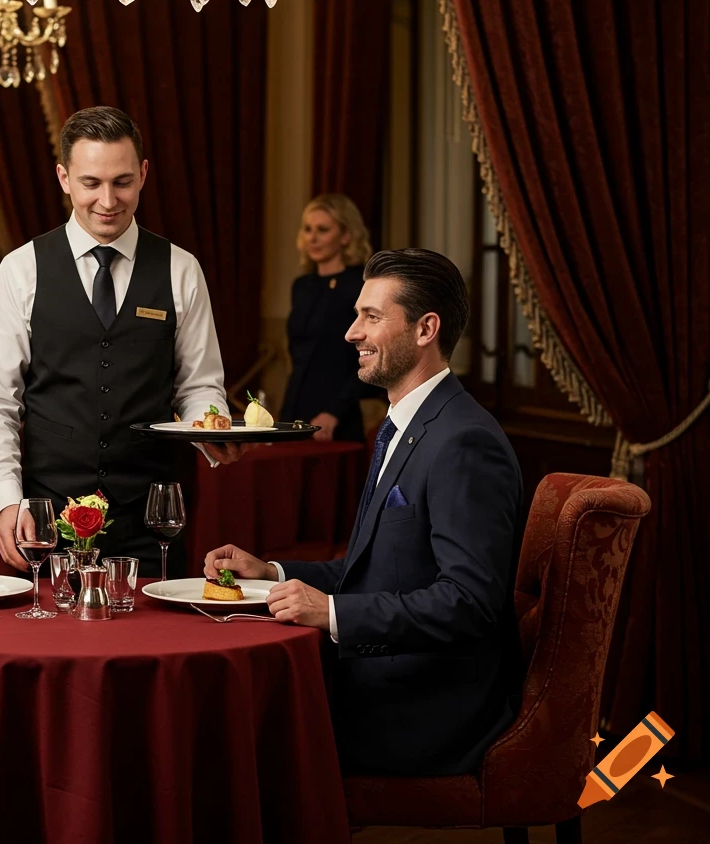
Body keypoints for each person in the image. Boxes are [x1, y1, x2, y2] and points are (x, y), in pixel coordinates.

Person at [204, 248, 522, 776]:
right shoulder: (404, 426)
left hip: (425, 712)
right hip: (381, 681)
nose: (352, 332)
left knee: (231, 730)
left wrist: (330, 613)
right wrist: (274, 572)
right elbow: (374, 571)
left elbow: (470, 603)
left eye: (371, 317)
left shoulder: (464, 441)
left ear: (426, 329)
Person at [0, 106, 242, 580]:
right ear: (64, 178)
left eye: (121, 182)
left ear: (143, 174)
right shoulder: (20, 269)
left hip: (154, 513)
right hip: (46, 516)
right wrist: (7, 502)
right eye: (91, 183)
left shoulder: (181, 269)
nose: (108, 200)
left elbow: (198, 386)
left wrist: (210, 432)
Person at [281, 194, 383, 441]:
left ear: (346, 236)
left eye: (323, 230)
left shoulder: (362, 284)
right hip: (295, 409)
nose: (312, 238)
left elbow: (372, 357)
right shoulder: (302, 286)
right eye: (308, 229)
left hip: (340, 415)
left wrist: (334, 412)